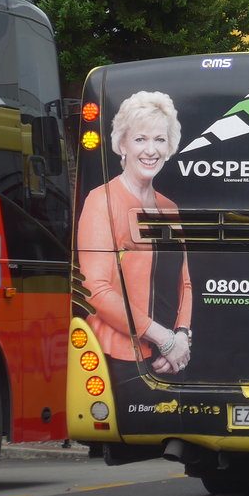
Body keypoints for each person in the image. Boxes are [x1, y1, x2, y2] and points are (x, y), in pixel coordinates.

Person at [77, 90, 193, 380]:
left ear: (169, 147)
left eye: (159, 139)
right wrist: (163, 339)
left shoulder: (169, 207)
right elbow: (96, 290)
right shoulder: (100, 201)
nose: (150, 150)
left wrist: (180, 338)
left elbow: (185, 283)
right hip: (117, 360)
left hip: (170, 359)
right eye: (140, 139)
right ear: (122, 144)